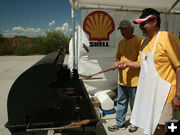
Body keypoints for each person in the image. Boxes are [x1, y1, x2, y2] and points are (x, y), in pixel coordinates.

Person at [117, 8, 180, 135]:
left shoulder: (168, 38)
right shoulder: (145, 42)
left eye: (143, 23)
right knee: (152, 127)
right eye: (140, 24)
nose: (140, 27)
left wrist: (178, 95)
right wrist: (127, 64)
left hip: (167, 96)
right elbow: (141, 64)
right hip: (150, 96)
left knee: (168, 128)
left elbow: (179, 67)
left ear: (154, 22)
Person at [108, 20, 142, 132]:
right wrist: (117, 63)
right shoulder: (120, 43)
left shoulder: (139, 41)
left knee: (134, 104)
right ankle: (119, 123)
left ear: (131, 29)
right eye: (121, 29)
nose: (122, 31)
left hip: (134, 81)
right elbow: (118, 57)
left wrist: (127, 64)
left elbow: (141, 63)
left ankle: (135, 123)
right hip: (122, 80)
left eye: (124, 29)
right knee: (121, 102)